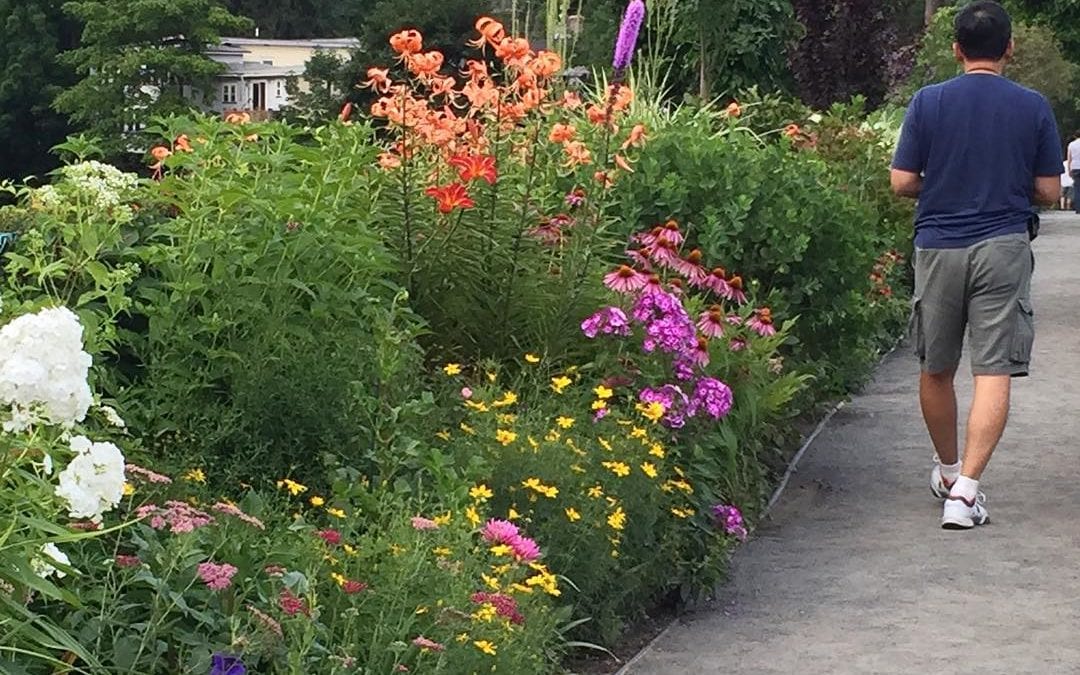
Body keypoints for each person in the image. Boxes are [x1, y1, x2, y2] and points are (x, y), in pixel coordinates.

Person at [890, 0, 1061, 530]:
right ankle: (964, 494)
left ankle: (946, 470)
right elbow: (1051, 192)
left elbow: (901, 182)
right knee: (994, 367)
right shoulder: (1032, 106)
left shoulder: (927, 102)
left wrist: (940, 185)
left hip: (939, 245)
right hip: (1003, 246)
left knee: (935, 366)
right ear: (1009, 47)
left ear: (957, 48)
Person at [1067, 131, 1080, 213]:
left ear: (1075, 136)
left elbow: (1069, 158)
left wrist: (1069, 170)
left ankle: (1078, 208)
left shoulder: (1071, 144)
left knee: (1077, 189)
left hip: (1075, 167)